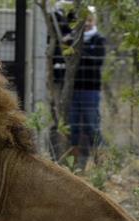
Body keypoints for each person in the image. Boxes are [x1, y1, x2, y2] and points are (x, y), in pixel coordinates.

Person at [51, 7, 105, 167]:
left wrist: (78, 48)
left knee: (91, 126)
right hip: (72, 90)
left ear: (94, 21)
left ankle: (102, 163)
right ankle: (75, 165)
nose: (87, 24)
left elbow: (97, 63)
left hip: (91, 90)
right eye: (83, 21)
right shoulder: (70, 40)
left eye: (89, 20)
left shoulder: (98, 40)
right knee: (72, 127)